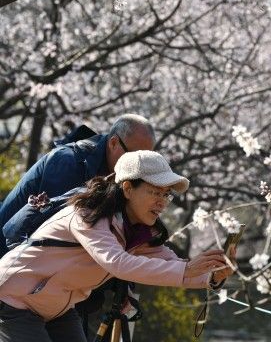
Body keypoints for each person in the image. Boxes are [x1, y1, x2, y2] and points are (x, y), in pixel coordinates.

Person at [0, 150, 234, 342]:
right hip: (12, 299)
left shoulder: (138, 230)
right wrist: (187, 269)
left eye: (167, 195)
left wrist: (212, 276)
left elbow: (174, 266)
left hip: (56, 308)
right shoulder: (87, 215)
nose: (162, 202)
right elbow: (117, 263)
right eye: (156, 192)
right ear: (128, 188)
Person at [0, 114, 155, 257]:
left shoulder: (116, 175)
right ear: (113, 143)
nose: (140, 170)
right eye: (136, 159)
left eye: (147, 162)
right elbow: (51, 233)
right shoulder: (69, 162)